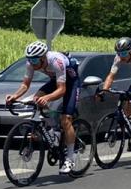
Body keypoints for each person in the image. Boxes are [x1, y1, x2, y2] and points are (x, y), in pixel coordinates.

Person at [6, 41, 80, 174]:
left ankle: (70, 158)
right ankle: (52, 130)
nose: (32, 63)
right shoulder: (30, 63)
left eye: (35, 60)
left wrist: (47, 98)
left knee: (66, 119)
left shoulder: (56, 62)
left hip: (71, 82)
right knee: (36, 99)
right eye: (30, 60)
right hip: (56, 80)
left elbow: (62, 90)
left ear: (43, 57)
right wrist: (14, 96)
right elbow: (25, 85)